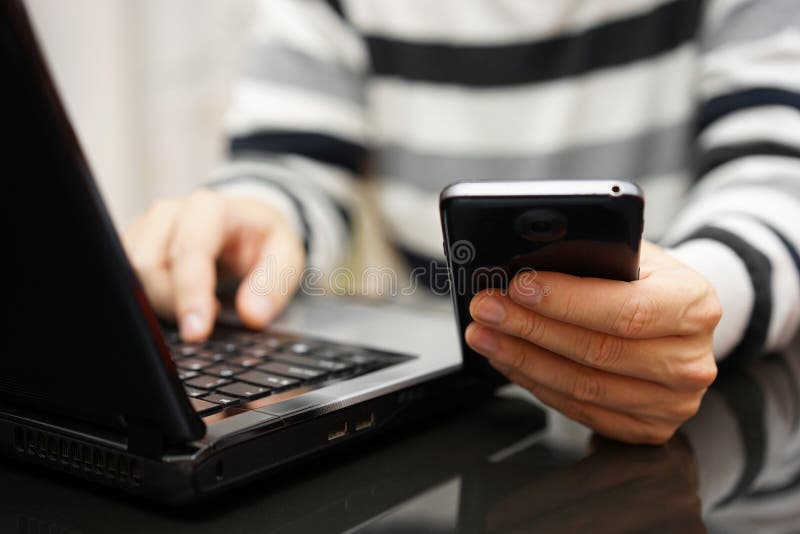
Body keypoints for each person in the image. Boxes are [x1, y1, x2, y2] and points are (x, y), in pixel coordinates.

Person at [123, 0, 800, 444]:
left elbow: (778, 173)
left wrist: (704, 304)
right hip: (453, 404)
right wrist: (252, 217)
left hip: (694, 403)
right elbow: (287, 165)